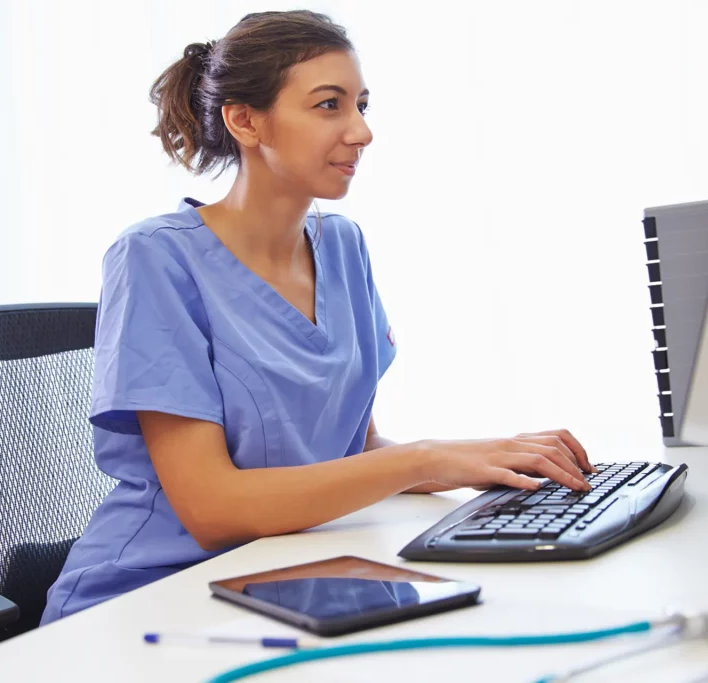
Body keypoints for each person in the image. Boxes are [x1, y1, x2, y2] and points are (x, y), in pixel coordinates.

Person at [40, 9, 594, 626]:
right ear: (245, 120)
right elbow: (211, 507)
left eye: (361, 104)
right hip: (154, 596)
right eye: (329, 105)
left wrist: (483, 459)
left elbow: (356, 447)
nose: (361, 131)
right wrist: (426, 458)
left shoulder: (343, 245)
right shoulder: (156, 257)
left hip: (297, 572)